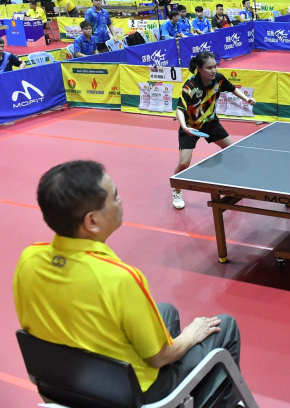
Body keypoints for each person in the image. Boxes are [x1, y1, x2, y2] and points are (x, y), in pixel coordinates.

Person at [13, 160, 242, 405]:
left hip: (65, 385)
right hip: (130, 395)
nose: (120, 201)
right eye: (115, 196)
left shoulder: (28, 260)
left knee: (166, 311)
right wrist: (191, 334)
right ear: (92, 221)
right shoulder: (120, 278)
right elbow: (159, 357)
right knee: (225, 327)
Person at [172, 52, 256, 209]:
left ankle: (233, 186)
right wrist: (184, 126)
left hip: (211, 123)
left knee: (232, 151)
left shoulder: (218, 79)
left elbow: (231, 88)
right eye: (209, 68)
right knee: (184, 163)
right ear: (199, 69)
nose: (214, 70)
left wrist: (246, 99)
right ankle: (176, 190)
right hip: (191, 126)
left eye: (215, 66)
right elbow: (180, 109)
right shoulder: (190, 86)